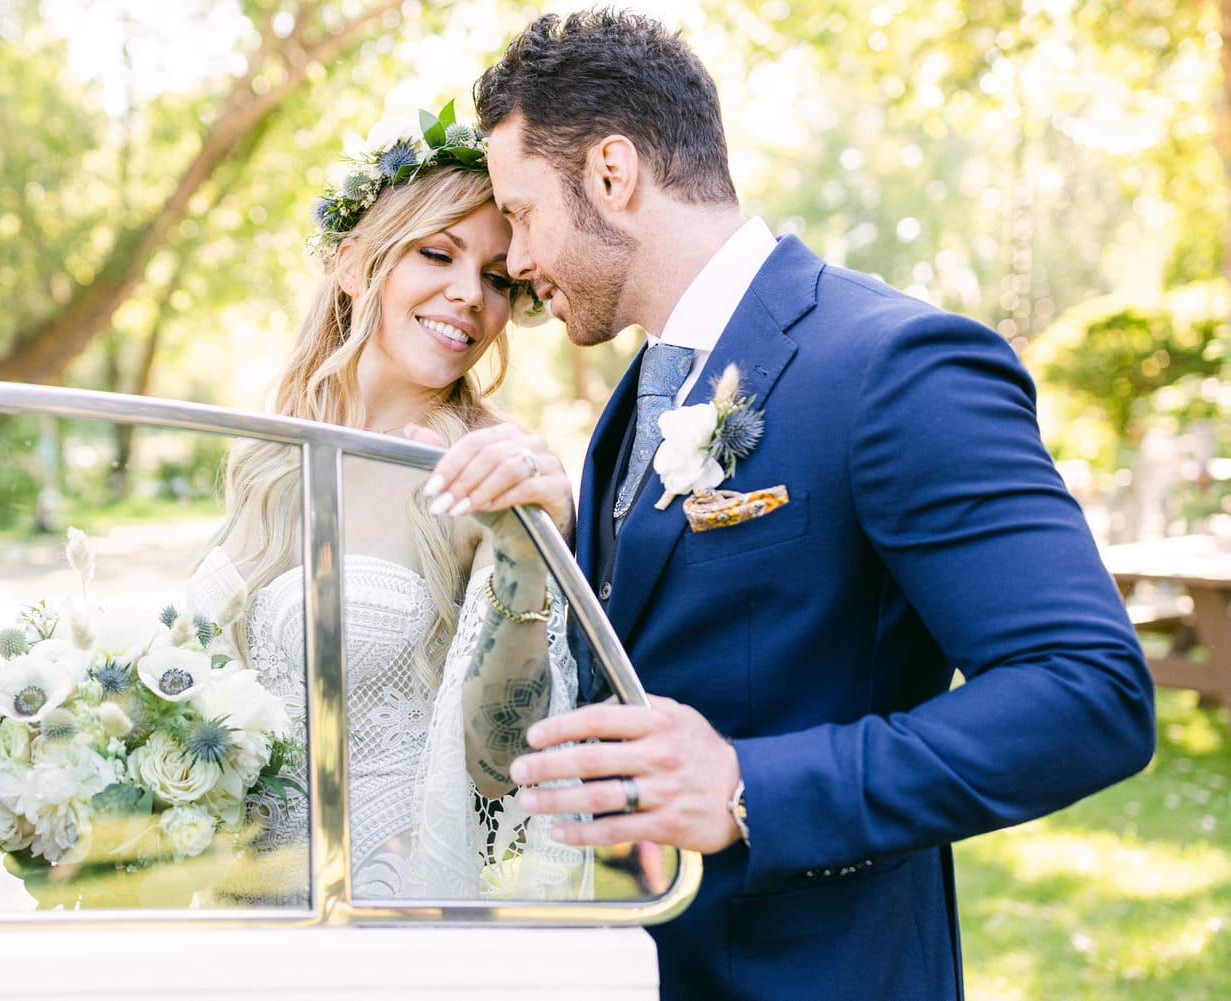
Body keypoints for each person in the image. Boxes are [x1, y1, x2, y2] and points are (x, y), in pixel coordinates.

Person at [424, 10, 1156, 998]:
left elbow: (1091, 690)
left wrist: (745, 788)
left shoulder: (894, 365)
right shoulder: (639, 397)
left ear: (612, 173)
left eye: (517, 213)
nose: (510, 259)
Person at [189, 107, 587, 902]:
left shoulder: (486, 468)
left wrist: (521, 552)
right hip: (243, 909)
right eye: (437, 253)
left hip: (390, 912)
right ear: (352, 265)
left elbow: (501, 761)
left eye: (499, 277)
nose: (469, 294)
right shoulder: (270, 453)